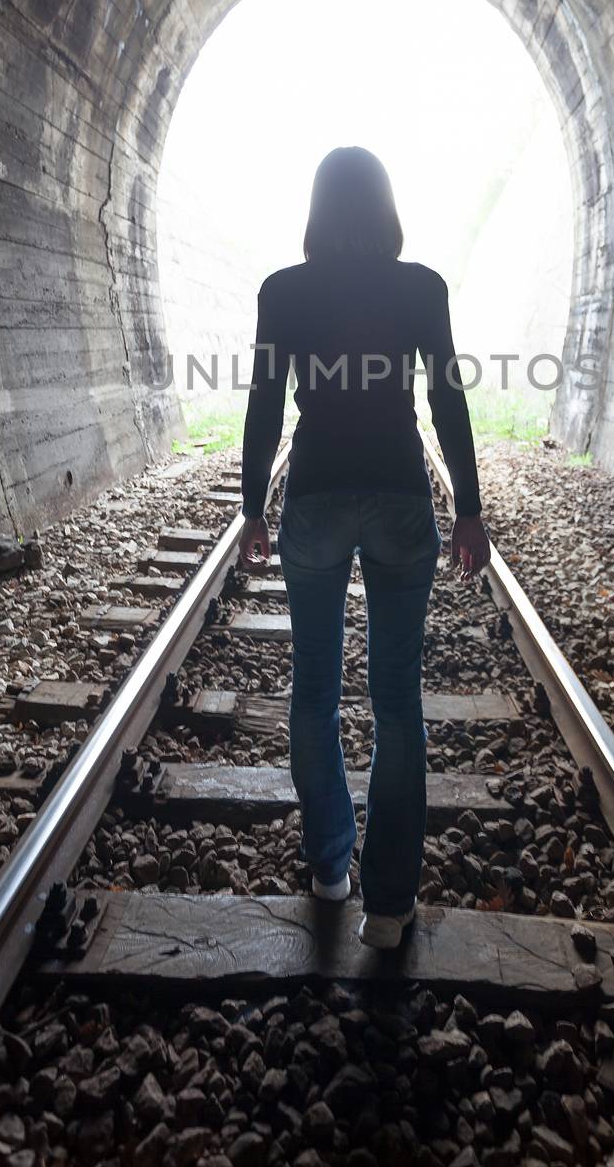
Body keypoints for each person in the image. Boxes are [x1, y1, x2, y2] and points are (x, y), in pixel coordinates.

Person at [238, 146, 491, 948]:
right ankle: (388, 907)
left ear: (317, 209)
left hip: (312, 499)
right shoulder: (420, 288)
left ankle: (328, 868)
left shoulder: (283, 291)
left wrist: (253, 511)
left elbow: (264, 408)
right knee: (396, 699)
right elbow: (448, 405)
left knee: (312, 691)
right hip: (399, 501)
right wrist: (470, 513)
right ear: (385, 207)